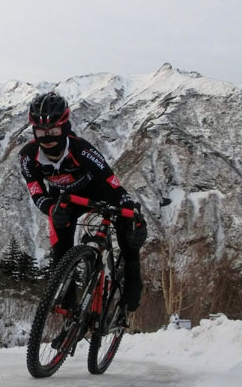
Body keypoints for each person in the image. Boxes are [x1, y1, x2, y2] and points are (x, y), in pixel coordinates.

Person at [18, 91, 147, 311]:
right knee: (60, 245)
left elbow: (114, 185)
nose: (48, 139)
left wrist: (134, 215)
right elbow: (36, 192)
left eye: (54, 131)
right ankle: (69, 309)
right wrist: (51, 208)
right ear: (33, 130)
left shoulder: (82, 150)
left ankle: (133, 279)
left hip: (100, 192)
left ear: (65, 127)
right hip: (66, 198)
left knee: (127, 231)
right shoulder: (28, 156)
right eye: (41, 132)